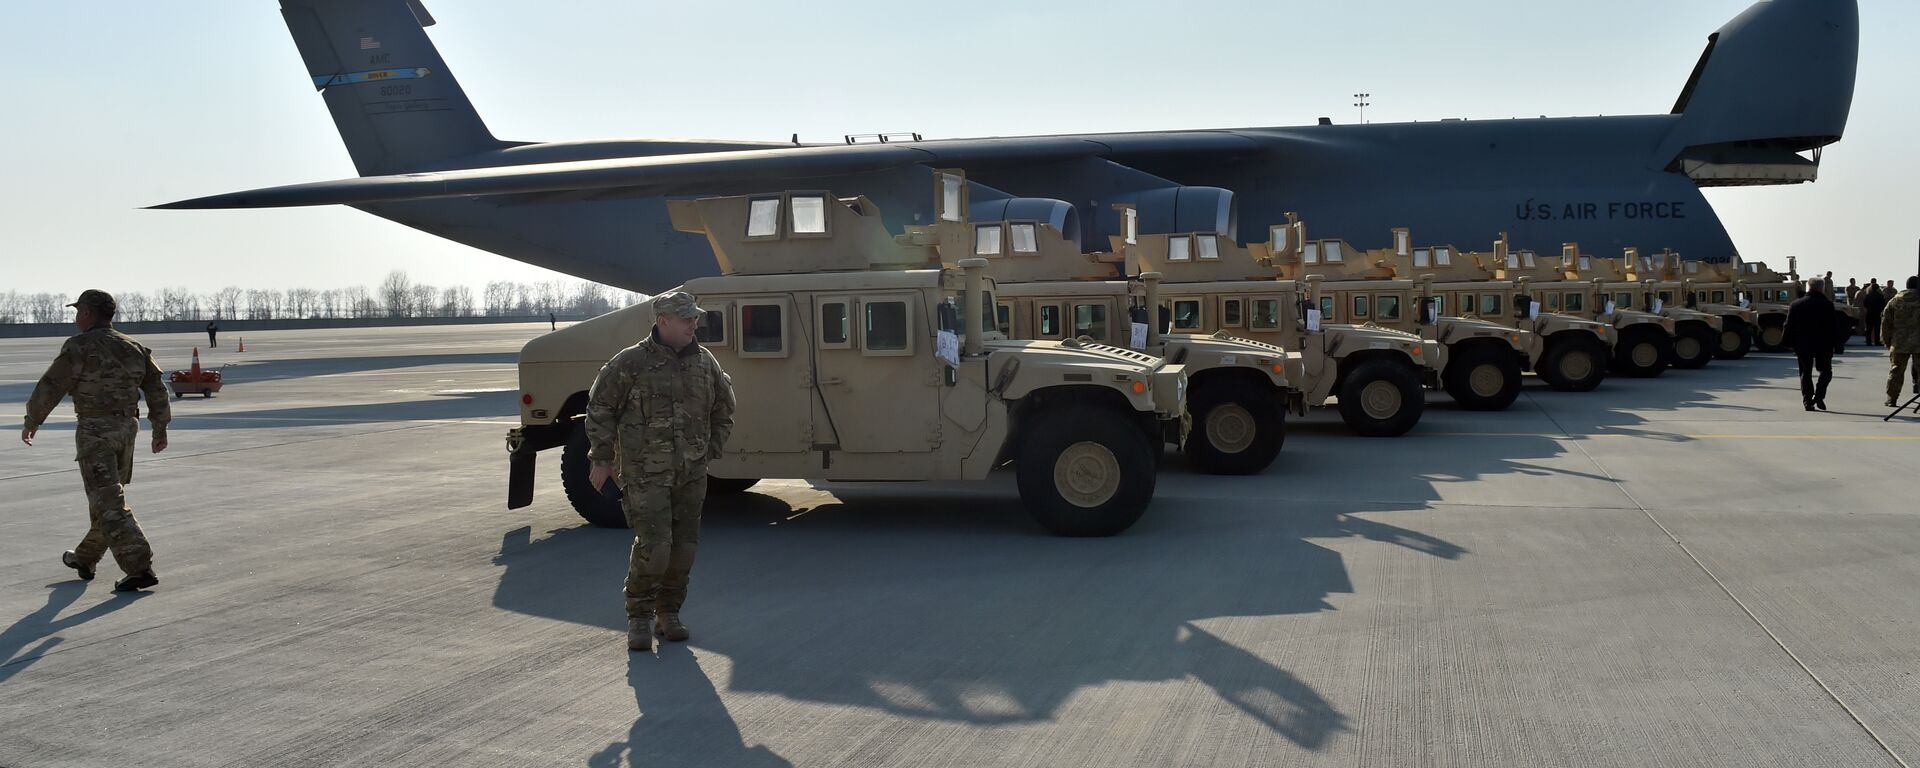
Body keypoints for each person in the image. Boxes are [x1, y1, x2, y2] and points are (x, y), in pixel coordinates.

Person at [584, 292, 735, 652]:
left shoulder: (704, 362)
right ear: (663, 321)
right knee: (655, 547)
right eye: (686, 319)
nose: (693, 324)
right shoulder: (630, 363)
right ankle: (639, 616)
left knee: (684, 549)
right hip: (645, 474)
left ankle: (669, 613)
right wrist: (601, 458)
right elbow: (600, 408)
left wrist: (707, 451)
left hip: (690, 475)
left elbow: (724, 409)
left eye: (694, 318)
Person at [20, 290, 171, 592]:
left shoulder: (79, 346)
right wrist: (159, 427)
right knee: (107, 498)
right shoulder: (134, 347)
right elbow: (156, 387)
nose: (76, 317)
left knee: (108, 502)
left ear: (88, 313)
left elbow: (52, 384)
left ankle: (139, 567)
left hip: (95, 429)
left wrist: (32, 420)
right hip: (127, 428)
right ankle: (85, 557)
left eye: (78, 311)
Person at [1784, 279, 1841, 411]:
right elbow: (1833, 327)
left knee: (1805, 372)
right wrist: (1837, 344)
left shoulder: (1796, 305)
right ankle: (1819, 395)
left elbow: (1788, 326)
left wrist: (1787, 342)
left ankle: (1807, 401)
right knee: (1826, 371)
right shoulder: (1827, 305)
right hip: (1824, 344)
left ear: (1808, 287)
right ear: (1822, 289)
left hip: (1803, 344)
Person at [1883, 277, 1920, 407]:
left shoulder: (1895, 301)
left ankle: (1891, 398)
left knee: (1896, 370)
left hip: (1899, 341)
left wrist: (1887, 341)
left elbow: (1886, 322)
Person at [1861, 278, 1888, 347]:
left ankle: (1868, 342)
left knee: (1869, 329)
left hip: (1869, 314)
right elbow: (1883, 305)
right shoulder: (1880, 296)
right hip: (1877, 314)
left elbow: (1865, 305)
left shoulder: (1868, 296)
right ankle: (1877, 341)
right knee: (1877, 329)